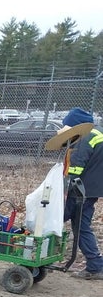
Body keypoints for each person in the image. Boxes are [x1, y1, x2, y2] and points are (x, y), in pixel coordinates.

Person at [45, 107, 102, 279]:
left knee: (52, 219)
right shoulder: (97, 133)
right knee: (81, 225)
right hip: (92, 189)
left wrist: (60, 188)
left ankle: (43, 258)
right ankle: (95, 264)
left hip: (80, 190)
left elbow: (75, 169)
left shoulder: (85, 139)